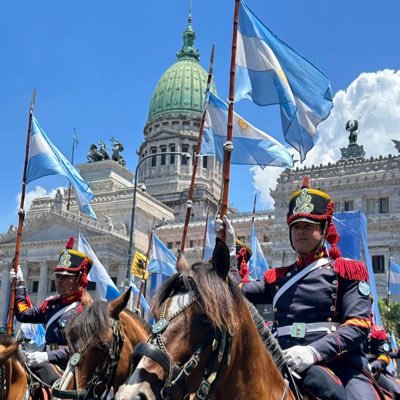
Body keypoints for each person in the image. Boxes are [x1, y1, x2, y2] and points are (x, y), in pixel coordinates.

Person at [216, 176, 382, 400]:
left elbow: (358, 325)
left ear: (324, 229)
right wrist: (228, 248)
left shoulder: (346, 271)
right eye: (295, 227)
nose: (300, 231)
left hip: (338, 364)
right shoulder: (277, 278)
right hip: (280, 359)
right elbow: (234, 290)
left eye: (308, 226)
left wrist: (313, 352)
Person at [10, 236, 93, 385]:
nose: (59, 280)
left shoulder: (85, 310)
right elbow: (23, 314)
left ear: (78, 279)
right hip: (44, 360)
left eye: (65, 277)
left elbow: (81, 350)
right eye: (57, 276)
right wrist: (20, 285)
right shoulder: (51, 305)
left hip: (70, 368)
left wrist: (47, 356)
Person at [366, 324, 400, 398]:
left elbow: (385, 355)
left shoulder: (377, 330)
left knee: (396, 391)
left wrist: (373, 366)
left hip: (374, 367)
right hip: (355, 364)